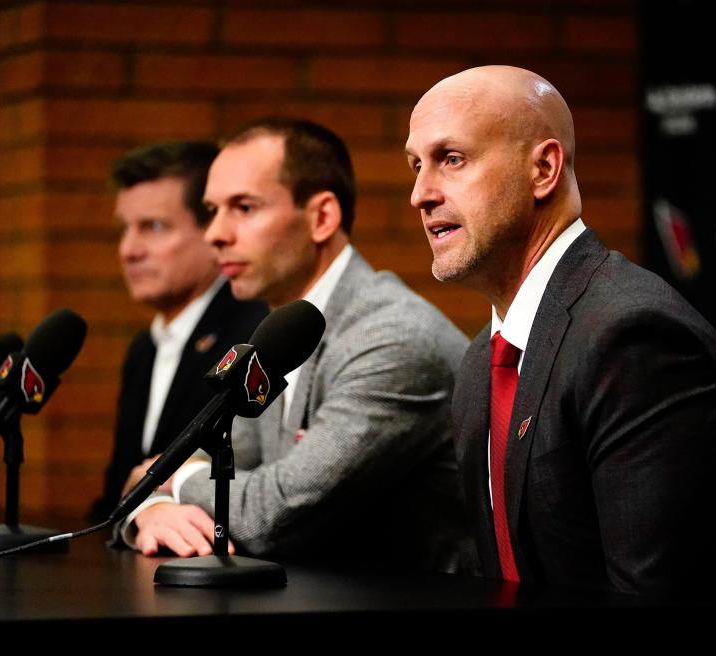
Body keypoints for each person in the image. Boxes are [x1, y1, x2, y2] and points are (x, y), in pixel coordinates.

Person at [405, 66, 716, 599]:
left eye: (452, 159)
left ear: (543, 168)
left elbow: (652, 609)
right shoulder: (482, 363)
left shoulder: (631, 338)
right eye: (415, 166)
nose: (420, 194)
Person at [122, 118, 474, 574]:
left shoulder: (391, 338)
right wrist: (150, 512)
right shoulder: (281, 334)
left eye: (243, 208)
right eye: (212, 211)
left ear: (321, 217)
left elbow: (274, 512)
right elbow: (215, 461)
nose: (215, 235)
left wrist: (172, 480)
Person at [89, 142, 266, 521]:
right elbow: (118, 494)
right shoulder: (144, 347)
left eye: (153, 227)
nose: (129, 250)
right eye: (125, 229)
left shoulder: (253, 334)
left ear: (212, 232)